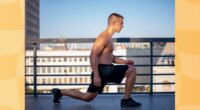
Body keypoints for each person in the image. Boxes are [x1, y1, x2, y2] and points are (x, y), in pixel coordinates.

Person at [52, 13, 141, 107]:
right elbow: (93, 56)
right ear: (114, 23)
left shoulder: (109, 38)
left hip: (105, 71)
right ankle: (126, 100)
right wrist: (96, 76)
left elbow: (111, 57)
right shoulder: (103, 37)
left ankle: (59, 92)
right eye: (121, 23)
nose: (123, 26)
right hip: (103, 71)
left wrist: (124, 62)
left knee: (87, 97)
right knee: (132, 70)